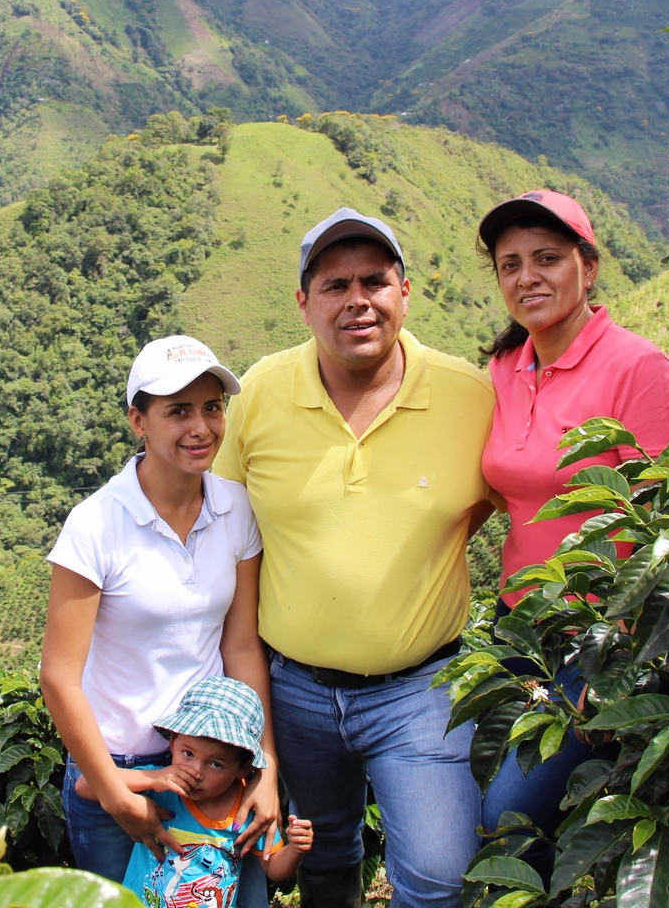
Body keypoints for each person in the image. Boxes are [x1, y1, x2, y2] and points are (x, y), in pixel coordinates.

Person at [214, 208, 498, 908]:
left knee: (436, 875)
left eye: (375, 280)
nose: (357, 300)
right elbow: (219, 531)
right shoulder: (260, 395)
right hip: (294, 688)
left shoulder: (469, 395)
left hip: (421, 689)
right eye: (335, 284)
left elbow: (498, 500)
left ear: (405, 291)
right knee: (324, 847)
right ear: (304, 303)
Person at [476, 190, 669, 877]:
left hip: (605, 640)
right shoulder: (504, 370)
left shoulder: (638, 371)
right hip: (519, 628)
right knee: (467, 798)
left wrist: (624, 650)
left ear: (589, 266)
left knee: (509, 813)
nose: (527, 277)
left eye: (547, 259)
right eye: (510, 264)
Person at [40, 335, 279, 896]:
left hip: (214, 767)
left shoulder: (234, 507)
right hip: (117, 767)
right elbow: (59, 676)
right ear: (138, 421)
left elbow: (240, 647)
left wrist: (264, 767)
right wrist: (120, 796)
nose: (201, 427)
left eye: (212, 408)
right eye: (178, 411)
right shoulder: (96, 525)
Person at [74, 676, 315, 908]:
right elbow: (85, 785)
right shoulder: (162, 787)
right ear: (172, 742)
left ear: (243, 768)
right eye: (188, 754)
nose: (196, 772)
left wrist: (294, 849)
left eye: (215, 764)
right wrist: (152, 778)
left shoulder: (247, 809)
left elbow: (273, 868)